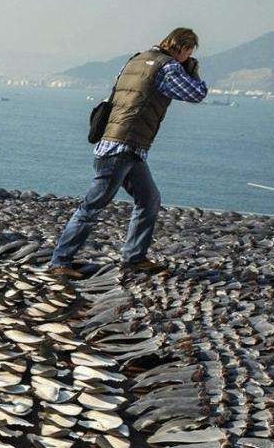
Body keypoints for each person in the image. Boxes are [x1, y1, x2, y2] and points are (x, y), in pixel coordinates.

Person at [49, 27, 207, 276]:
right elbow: (196, 94)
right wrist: (193, 70)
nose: (189, 56)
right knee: (92, 206)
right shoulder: (168, 67)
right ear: (185, 49)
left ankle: (134, 258)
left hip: (120, 144)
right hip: (124, 145)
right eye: (189, 52)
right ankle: (60, 262)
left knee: (149, 199)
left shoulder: (135, 59)